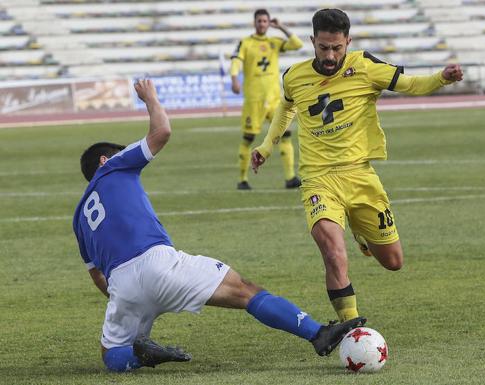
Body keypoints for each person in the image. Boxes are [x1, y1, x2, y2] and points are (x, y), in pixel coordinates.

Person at [72, 79, 365, 373]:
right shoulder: (112, 166)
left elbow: (97, 276)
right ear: (104, 160)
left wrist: (128, 301)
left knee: (111, 353)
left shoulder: (78, 217)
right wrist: (150, 98)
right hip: (157, 263)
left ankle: (139, 357)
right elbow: (162, 132)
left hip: (121, 284)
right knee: (246, 291)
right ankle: (318, 334)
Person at [250, 9, 463, 322]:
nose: (331, 55)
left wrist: (441, 79)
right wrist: (266, 147)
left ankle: (362, 235)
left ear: (348, 41)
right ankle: (352, 328)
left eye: (337, 48)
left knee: (393, 262)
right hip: (318, 180)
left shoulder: (365, 66)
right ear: (312, 41)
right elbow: (286, 106)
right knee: (334, 255)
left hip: (360, 176)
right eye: (323, 48)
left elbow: (409, 85)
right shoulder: (293, 77)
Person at [230, 9, 304, 190]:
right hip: (254, 100)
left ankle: (290, 178)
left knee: (285, 135)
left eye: (265, 21)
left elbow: (297, 44)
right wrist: (234, 78)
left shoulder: (274, 42)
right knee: (248, 138)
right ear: (254, 23)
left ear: (268, 23)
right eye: (259, 21)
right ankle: (242, 180)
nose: (262, 24)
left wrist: (281, 27)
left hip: (274, 99)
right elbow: (236, 61)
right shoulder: (245, 43)